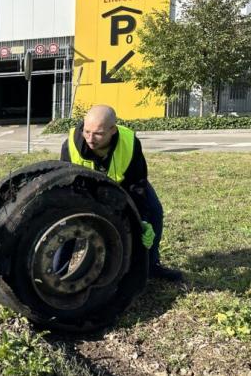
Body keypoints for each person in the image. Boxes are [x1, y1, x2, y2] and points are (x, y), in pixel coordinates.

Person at [60, 104, 183, 282]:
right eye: (87, 131)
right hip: (85, 190)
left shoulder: (130, 142)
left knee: (155, 211)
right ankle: (57, 275)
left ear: (113, 130)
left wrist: (143, 219)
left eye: (98, 133)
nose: (90, 138)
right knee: (67, 224)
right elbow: (64, 184)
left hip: (124, 185)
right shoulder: (71, 145)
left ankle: (151, 265)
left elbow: (137, 184)